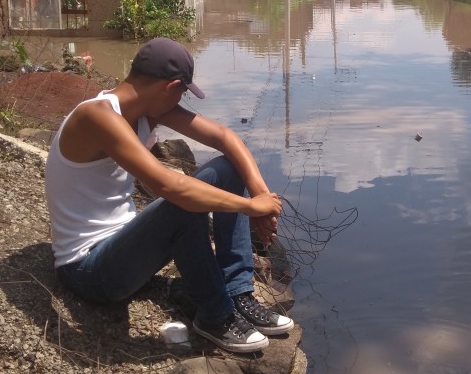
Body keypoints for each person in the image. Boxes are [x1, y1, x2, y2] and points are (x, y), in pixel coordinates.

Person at [45, 37, 293, 353]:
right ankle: (215, 316)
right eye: (182, 91)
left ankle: (237, 292)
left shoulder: (146, 110)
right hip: (89, 270)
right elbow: (170, 186)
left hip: (124, 245)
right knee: (182, 202)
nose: (182, 100)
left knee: (228, 169)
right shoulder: (97, 115)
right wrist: (248, 206)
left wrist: (261, 198)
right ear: (170, 86)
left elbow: (225, 137)